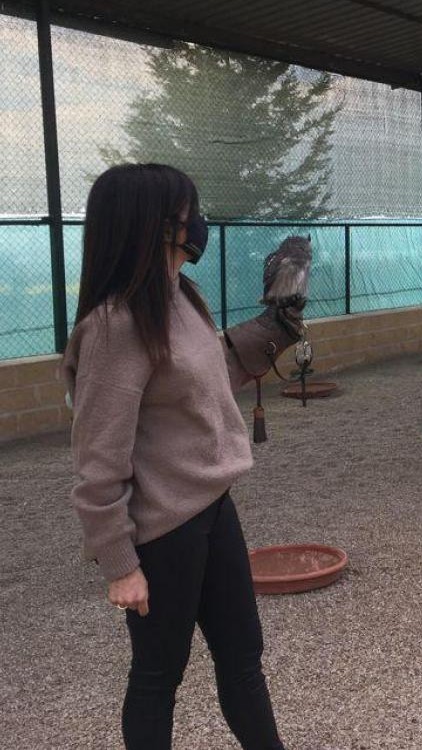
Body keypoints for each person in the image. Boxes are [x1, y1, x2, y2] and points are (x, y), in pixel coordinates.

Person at [61, 164, 301, 749]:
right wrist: (120, 563)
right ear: (151, 225)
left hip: (214, 507)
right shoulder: (115, 326)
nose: (197, 224)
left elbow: (203, 382)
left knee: (243, 657)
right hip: (163, 529)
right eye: (186, 214)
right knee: (158, 677)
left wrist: (274, 329)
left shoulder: (181, 296)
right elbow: (98, 460)